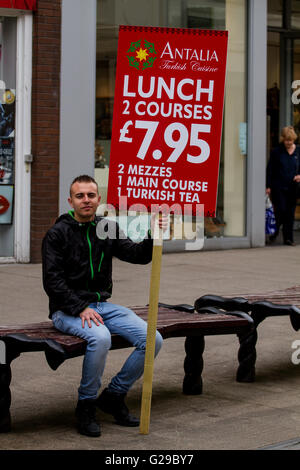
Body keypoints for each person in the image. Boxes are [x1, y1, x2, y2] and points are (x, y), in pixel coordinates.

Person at [42, 175, 167, 437]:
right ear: (70, 201)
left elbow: (138, 255)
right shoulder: (57, 233)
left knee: (152, 338)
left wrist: (152, 232)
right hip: (66, 310)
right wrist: (79, 307)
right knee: (100, 338)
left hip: (101, 305)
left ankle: (113, 395)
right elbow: (53, 281)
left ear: (99, 199)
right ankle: (86, 405)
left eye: (91, 195)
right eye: (80, 196)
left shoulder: (107, 227)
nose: (86, 200)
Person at [266, 126, 300, 246]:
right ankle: (274, 232)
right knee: (281, 211)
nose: (288, 143)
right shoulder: (277, 152)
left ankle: (288, 239)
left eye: (290, 141)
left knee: (290, 213)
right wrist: (268, 186)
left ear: (294, 139)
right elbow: (270, 169)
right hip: (278, 187)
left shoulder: (298, 151)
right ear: (283, 139)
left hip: (293, 187)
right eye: (286, 140)